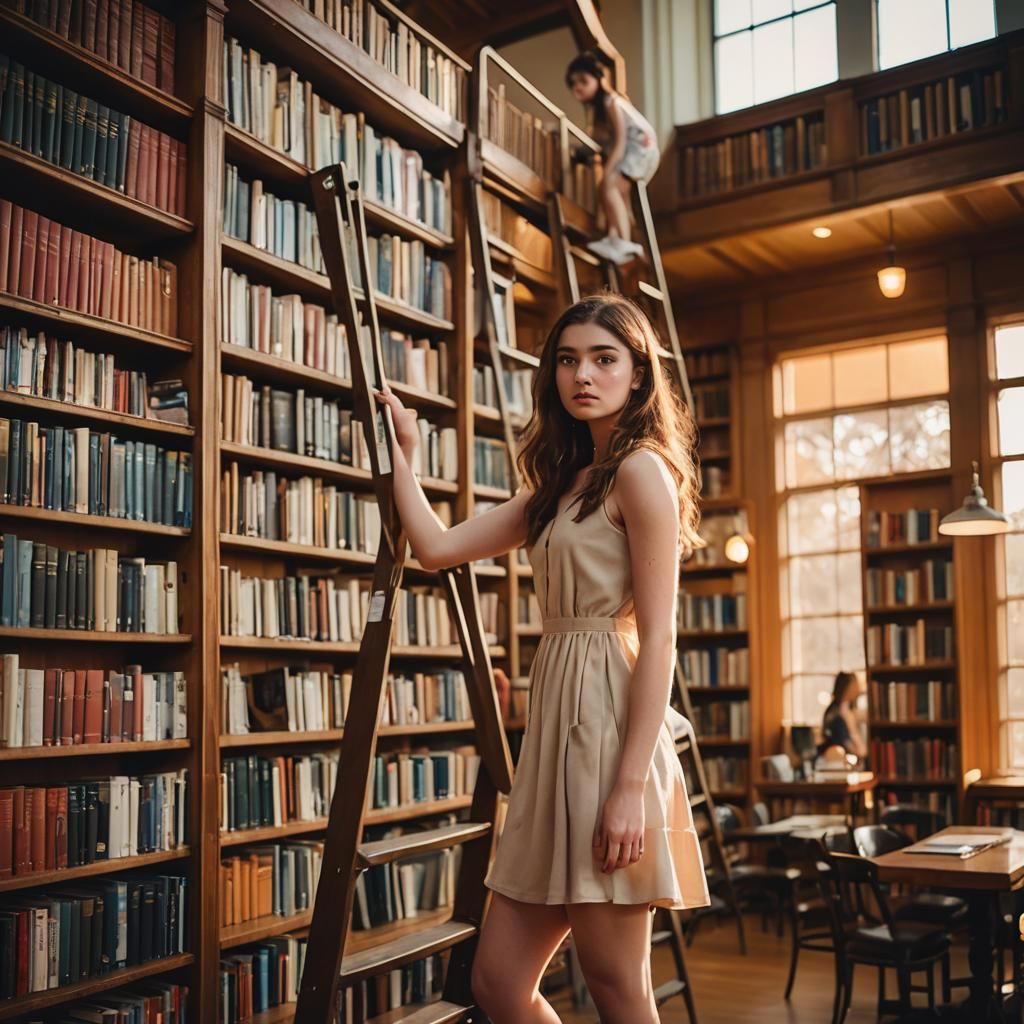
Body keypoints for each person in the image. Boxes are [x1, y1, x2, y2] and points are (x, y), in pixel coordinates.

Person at [374, 294, 710, 1024]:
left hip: (610, 740)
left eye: (603, 359)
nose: (582, 375)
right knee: (497, 983)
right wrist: (403, 456)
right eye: (567, 359)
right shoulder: (561, 485)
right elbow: (435, 548)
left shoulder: (642, 472)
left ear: (638, 373)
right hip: (554, 745)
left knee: (617, 984)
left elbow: (659, 638)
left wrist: (628, 789)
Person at [566, 52, 660, 267]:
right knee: (616, 193)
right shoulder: (598, 112)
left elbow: (621, 140)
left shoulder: (611, 101)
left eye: (583, 81)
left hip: (639, 149)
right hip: (638, 150)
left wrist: (608, 170)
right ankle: (615, 236)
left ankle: (623, 242)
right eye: (573, 83)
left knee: (608, 186)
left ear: (598, 80)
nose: (577, 87)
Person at [818, 671, 868, 763]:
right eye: (855, 685)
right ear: (847, 688)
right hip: (839, 760)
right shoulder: (837, 715)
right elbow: (854, 748)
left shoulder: (849, 711)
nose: (858, 689)